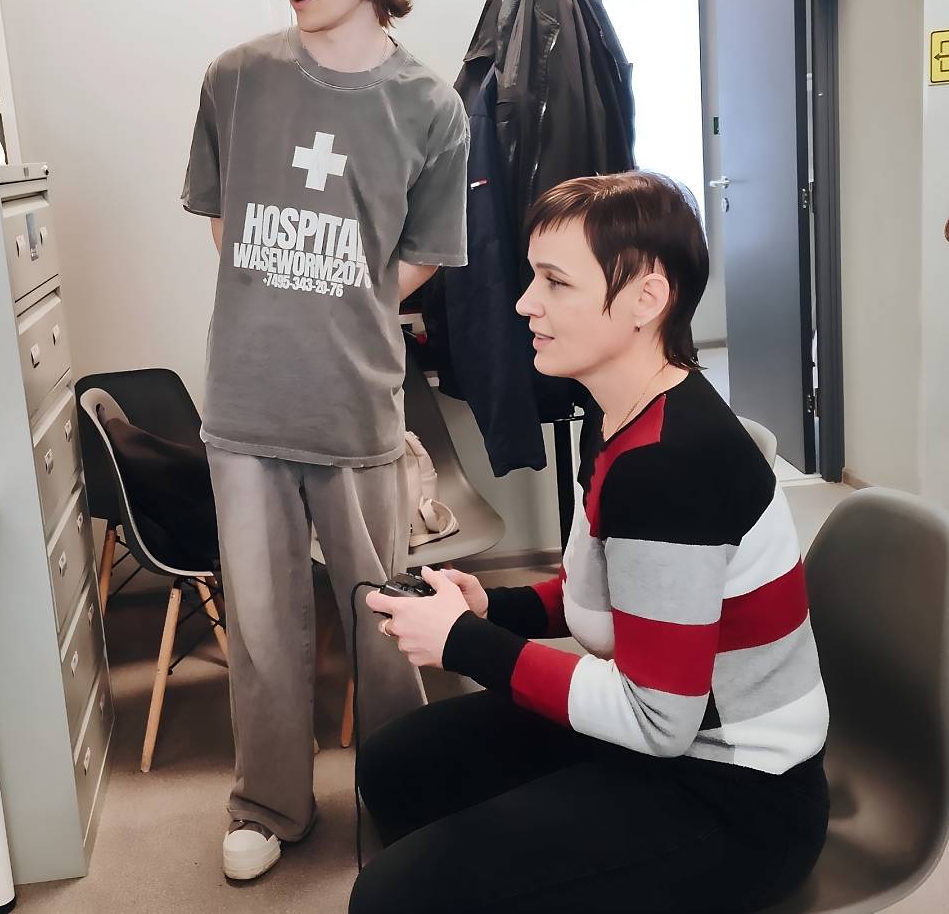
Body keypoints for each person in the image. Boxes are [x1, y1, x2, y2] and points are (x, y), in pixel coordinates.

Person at [356, 171, 830, 912]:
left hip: (738, 796)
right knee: (395, 766)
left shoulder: (671, 464)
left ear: (646, 298)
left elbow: (656, 719)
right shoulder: (618, 416)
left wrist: (464, 644)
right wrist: (493, 608)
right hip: (673, 737)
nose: (524, 303)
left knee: (393, 896)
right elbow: (624, 586)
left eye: (555, 282)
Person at [180, 0, 469, 882]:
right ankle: (269, 803)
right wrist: (290, 294)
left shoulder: (429, 107)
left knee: (384, 618)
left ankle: (398, 789)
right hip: (246, 405)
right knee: (262, 629)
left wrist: (339, 296)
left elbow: (424, 254)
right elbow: (225, 222)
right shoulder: (236, 79)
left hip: (355, 404)